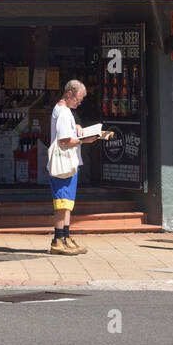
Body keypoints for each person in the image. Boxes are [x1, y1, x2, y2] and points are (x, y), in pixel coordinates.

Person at [48, 80, 107, 256]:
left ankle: (65, 237)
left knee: (68, 203)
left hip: (70, 162)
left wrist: (78, 128)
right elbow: (64, 140)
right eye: (78, 99)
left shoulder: (65, 111)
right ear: (69, 94)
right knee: (62, 202)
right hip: (63, 162)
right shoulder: (64, 112)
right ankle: (58, 240)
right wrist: (85, 140)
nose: (79, 102)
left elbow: (67, 133)